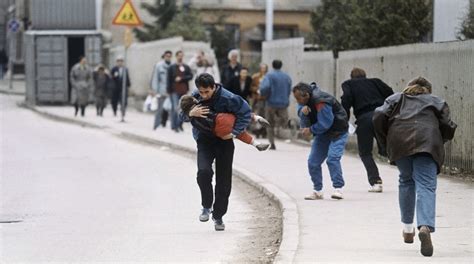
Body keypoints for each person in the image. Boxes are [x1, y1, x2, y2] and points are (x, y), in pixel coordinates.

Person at [373, 77, 456, 257]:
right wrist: (440, 140)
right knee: (426, 185)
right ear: (427, 90)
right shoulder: (436, 101)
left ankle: (408, 229)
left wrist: (385, 140)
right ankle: (424, 226)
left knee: (406, 181)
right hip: (427, 143)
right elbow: (448, 125)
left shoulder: (396, 99)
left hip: (400, 141)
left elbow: (379, 115)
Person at [181, 73, 251, 231]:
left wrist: (234, 132)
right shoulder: (194, 97)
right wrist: (189, 114)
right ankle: (206, 205)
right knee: (203, 172)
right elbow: (181, 114)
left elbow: (245, 113)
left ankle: (218, 216)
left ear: (214, 87)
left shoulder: (229, 98)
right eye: (201, 92)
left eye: (207, 91)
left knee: (224, 182)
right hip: (204, 141)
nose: (203, 95)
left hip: (224, 141)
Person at [341, 67, 394, 192]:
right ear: (365, 75)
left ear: (351, 77)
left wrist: (345, 120)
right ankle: (409, 174)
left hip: (364, 119)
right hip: (382, 116)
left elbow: (346, 101)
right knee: (389, 148)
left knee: (365, 152)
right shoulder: (376, 81)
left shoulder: (348, 84)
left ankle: (376, 181)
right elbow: (391, 94)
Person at [293, 82, 349, 200]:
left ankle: (338, 189)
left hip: (338, 132)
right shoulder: (306, 100)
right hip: (323, 134)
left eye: (298, 98)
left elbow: (325, 123)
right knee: (313, 162)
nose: (297, 101)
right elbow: (300, 109)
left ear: (306, 95)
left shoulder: (321, 101)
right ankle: (317, 190)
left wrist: (310, 130)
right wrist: (302, 111)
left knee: (332, 159)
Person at [180, 94, 270, 151]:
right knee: (237, 116)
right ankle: (256, 117)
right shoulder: (201, 103)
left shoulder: (194, 121)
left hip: (217, 132)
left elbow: (182, 115)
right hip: (220, 118)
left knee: (240, 134)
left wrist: (190, 114)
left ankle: (256, 143)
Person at [259, 59, 292, 150]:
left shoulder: (269, 76)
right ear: (281, 66)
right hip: (283, 103)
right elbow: (289, 89)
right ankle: (279, 123)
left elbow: (264, 87)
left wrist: (264, 95)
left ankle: (272, 143)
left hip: (271, 102)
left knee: (269, 123)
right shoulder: (287, 77)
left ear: (273, 66)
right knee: (284, 119)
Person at [167, 50, 193, 132]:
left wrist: (182, 78)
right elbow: (168, 79)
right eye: (179, 55)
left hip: (183, 90)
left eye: (182, 55)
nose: (180, 57)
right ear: (176, 56)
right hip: (174, 91)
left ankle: (179, 124)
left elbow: (190, 76)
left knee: (183, 108)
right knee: (175, 108)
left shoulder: (186, 67)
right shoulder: (171, 67)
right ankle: (174, 126)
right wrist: (168, 90)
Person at [151, 50, 172, 129]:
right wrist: (155, 90)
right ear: (164, 56)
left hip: (170, 91)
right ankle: (156, 125)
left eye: (170, 56)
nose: (168, 57)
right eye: (167, 56)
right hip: (161, 91)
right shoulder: (159, 66)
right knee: (159, 109)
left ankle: (166, 125)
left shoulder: (172, 65)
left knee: (169, 109)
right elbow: (155, 78)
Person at [250, 63, 268, 138]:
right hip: (258, 98)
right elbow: (251, 86)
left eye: (264, 68)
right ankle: (257, 130)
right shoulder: (255, 77)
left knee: (265, 114)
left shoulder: (268, 77)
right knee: (258, 114)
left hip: (266, 98)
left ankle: (263, 130)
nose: (263, 69)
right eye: (262, 68)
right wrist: (257, 89)